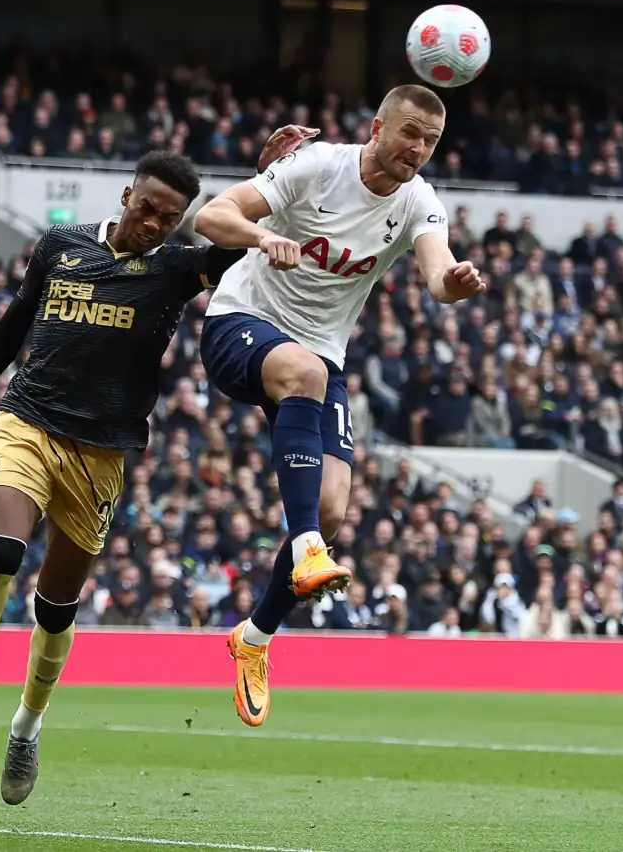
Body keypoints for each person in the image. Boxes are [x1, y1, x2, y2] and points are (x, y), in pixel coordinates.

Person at [0, 151, 263, 805]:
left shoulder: (173, 268)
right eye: (147, 209)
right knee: (1, 551)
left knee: (55, 608)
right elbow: (10, 328)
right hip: (26, 422)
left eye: (170, 217)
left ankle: (27, 727)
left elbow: (228, 249)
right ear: (127, 194)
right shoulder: (61, 246)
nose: (155, 224)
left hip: (101, 453)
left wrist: (264, 181)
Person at [192, 85, 487, 727]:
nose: (417, 149)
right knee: (301, 374)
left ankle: (254, 638)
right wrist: (260, 235)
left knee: (330, 510)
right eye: (409, 132)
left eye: (430, 141)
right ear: (378, 126)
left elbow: (436, 272)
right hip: (241, 323)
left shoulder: (418, 202)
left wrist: (452, 283)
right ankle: (304, 549)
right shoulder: (318, 164)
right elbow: (210, 217)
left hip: (322, 358)